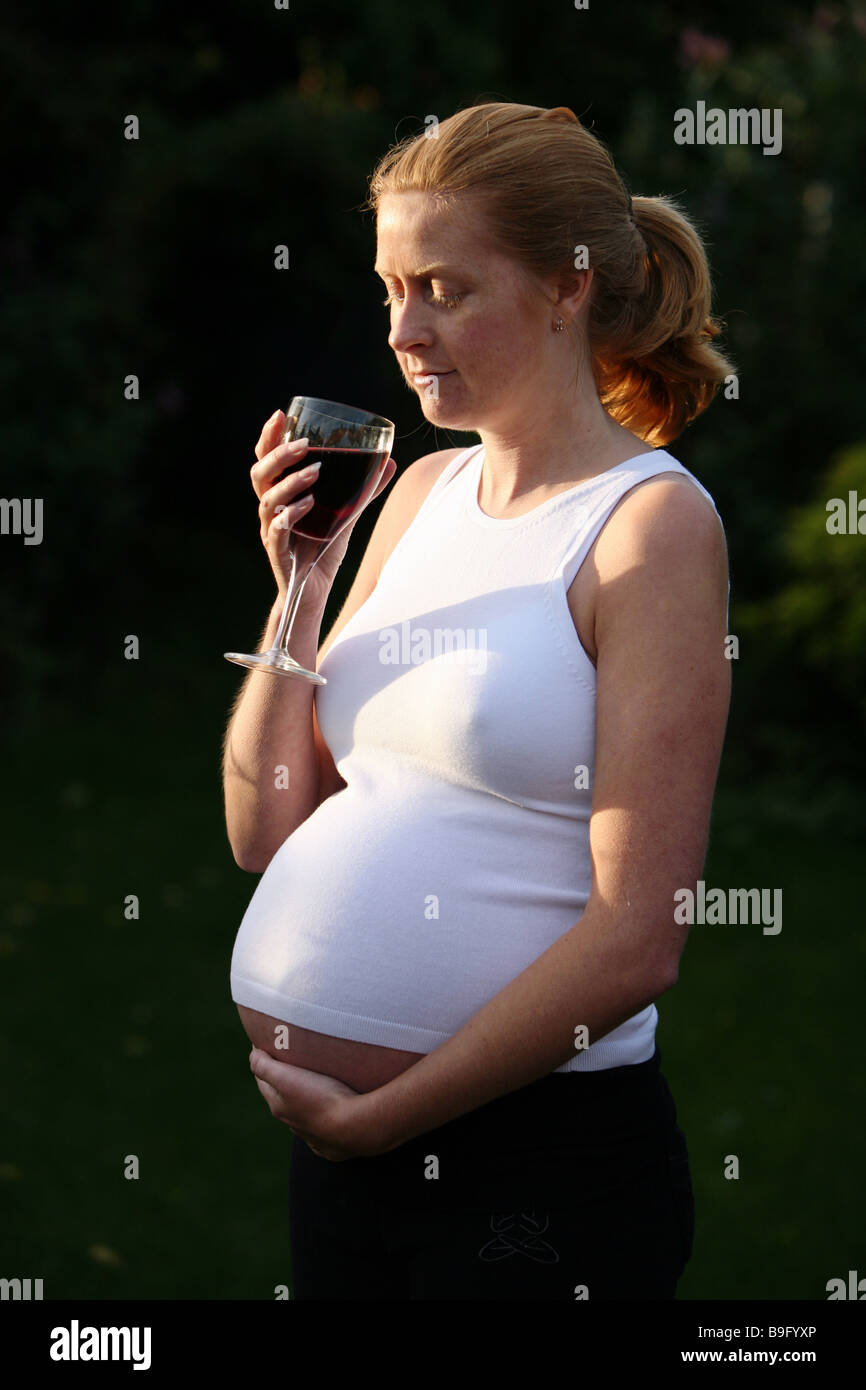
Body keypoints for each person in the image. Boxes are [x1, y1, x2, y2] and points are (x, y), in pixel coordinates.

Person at [223, 101, 733, 1300]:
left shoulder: (648, 527)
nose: (402, 330)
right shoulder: (419, 493)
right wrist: (298, 587)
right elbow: (264, 831)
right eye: (390, 287)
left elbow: (638, 935)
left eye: (444, 289)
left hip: (535, 1164)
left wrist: (393, 1113)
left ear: (565, 286)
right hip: (348, 1159)